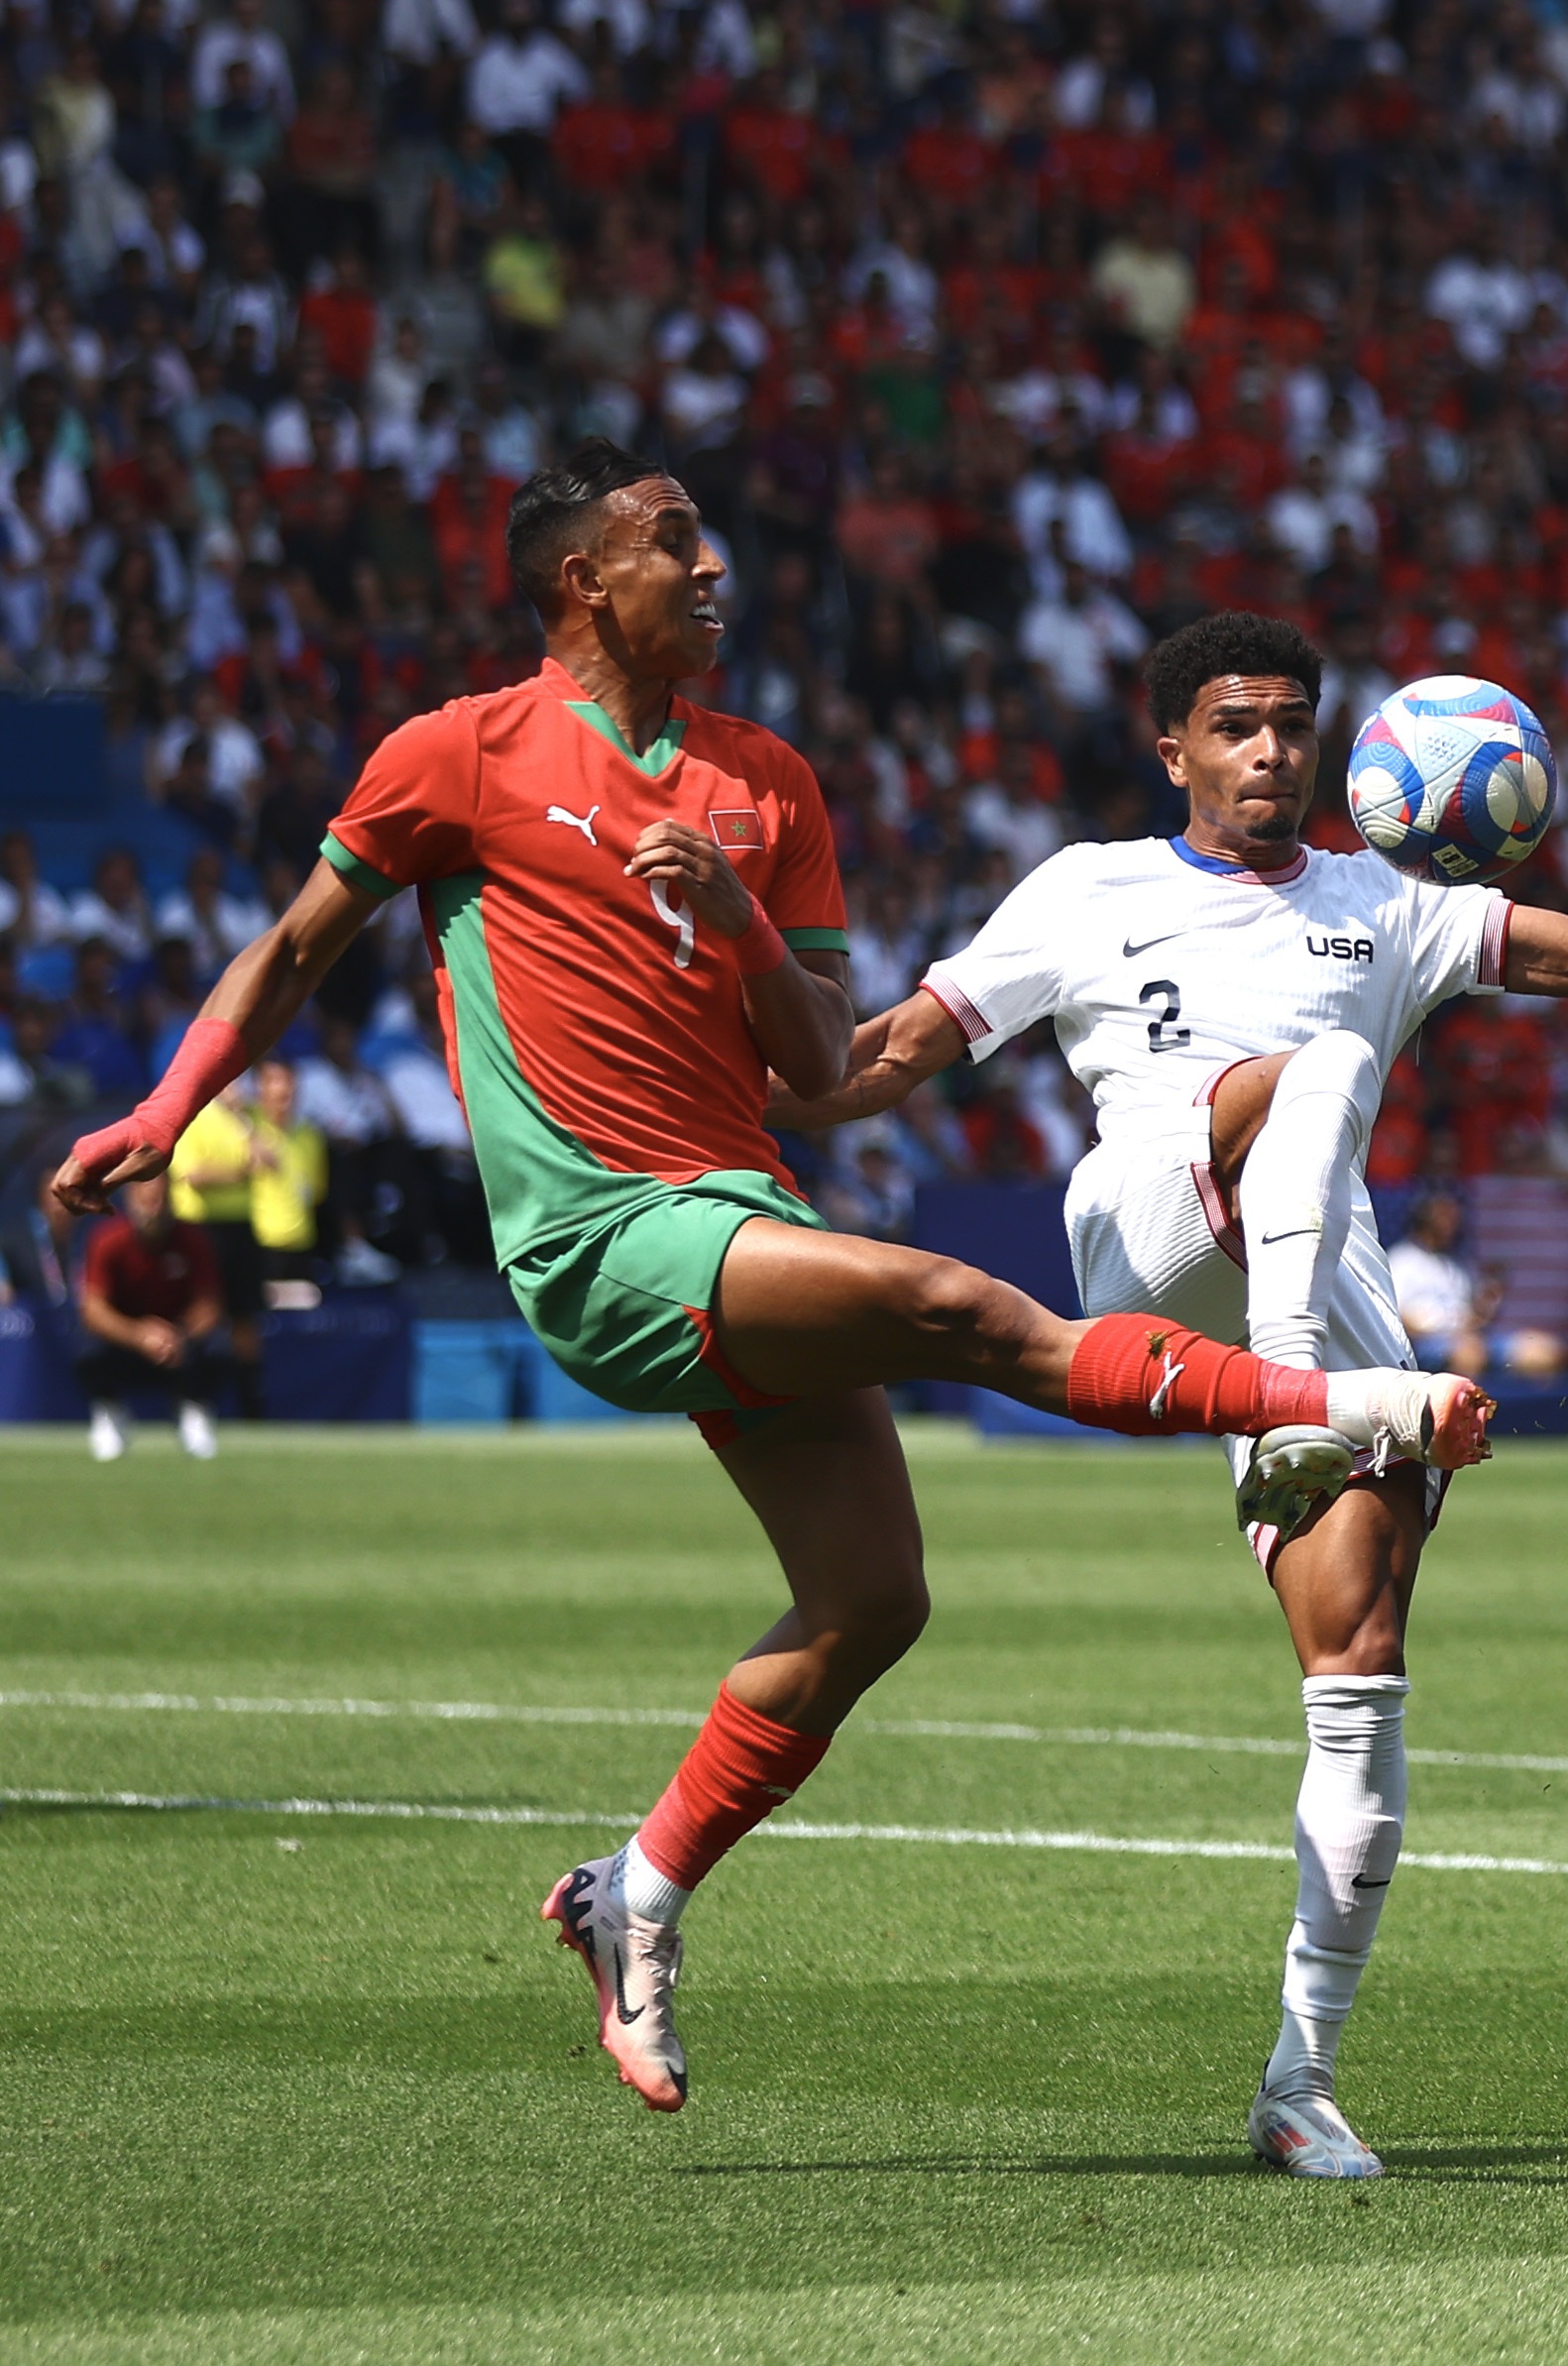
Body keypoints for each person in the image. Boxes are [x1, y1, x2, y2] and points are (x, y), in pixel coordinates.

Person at [52, 445, 1485, 2127]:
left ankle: (633, 1892)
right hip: (597, 1229)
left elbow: (812, 1061)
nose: (713, 566)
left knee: (872, 1601)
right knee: (957, 1304)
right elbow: (297, 943)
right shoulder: (458, 751)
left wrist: (734, 911)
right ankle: (1335, 1406)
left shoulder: (768, 783)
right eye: (674, 544)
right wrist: (165, 1110)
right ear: (584, 581)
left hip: (739, 1201)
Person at [767, 607, 1568, 2180]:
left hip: (1324, 1298)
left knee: (1359, 1666)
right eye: (1232, 724)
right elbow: (877, 1059)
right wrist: (727, 1075)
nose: (1266, 749)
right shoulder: (1089, 889)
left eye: (1288, 722)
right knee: (1322, 1068)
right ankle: (1294, 1403)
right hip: (1146, 1238)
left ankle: (1300, 2078)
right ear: (1172, 747)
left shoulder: (1387, 904)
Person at [168, 1060, 326, 1415]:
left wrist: (243, 1123)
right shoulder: (195, 1118)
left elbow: (266, 1156)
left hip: (242, 1225)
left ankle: (250, 1399)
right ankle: (190, 1392)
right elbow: (191, 1174)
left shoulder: (247, 1119)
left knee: (245, 1317)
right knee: (202, 1312)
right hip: (201, 1227)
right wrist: (240, 1172)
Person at [71, 1170, 228, 1462]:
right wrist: (139, 1335)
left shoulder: (193, 1239)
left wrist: (175, 1335)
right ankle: (110, 1413)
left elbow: (209, 1305)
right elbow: (93, 1309)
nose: (153, 1208)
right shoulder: (108, 1240)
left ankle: (193, 1411)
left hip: (177, 1346)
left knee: (218, 1347)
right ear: (131, 1198)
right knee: (87, 1350)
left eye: (160, 1199)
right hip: (126, 1344)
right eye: (147, 1200)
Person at [1388, 1189, 1567, 1380]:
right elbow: (1397, 1318)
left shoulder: (1458, 1264)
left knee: (1544, 1352)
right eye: (1444, 1216)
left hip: (1473, 1338)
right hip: (1427, 1344)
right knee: (1470, 1355)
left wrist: (1488, 1299)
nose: (1451, 1223)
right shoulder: (1402, 1259)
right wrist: (1451, 1333)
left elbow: (1475, 1317)